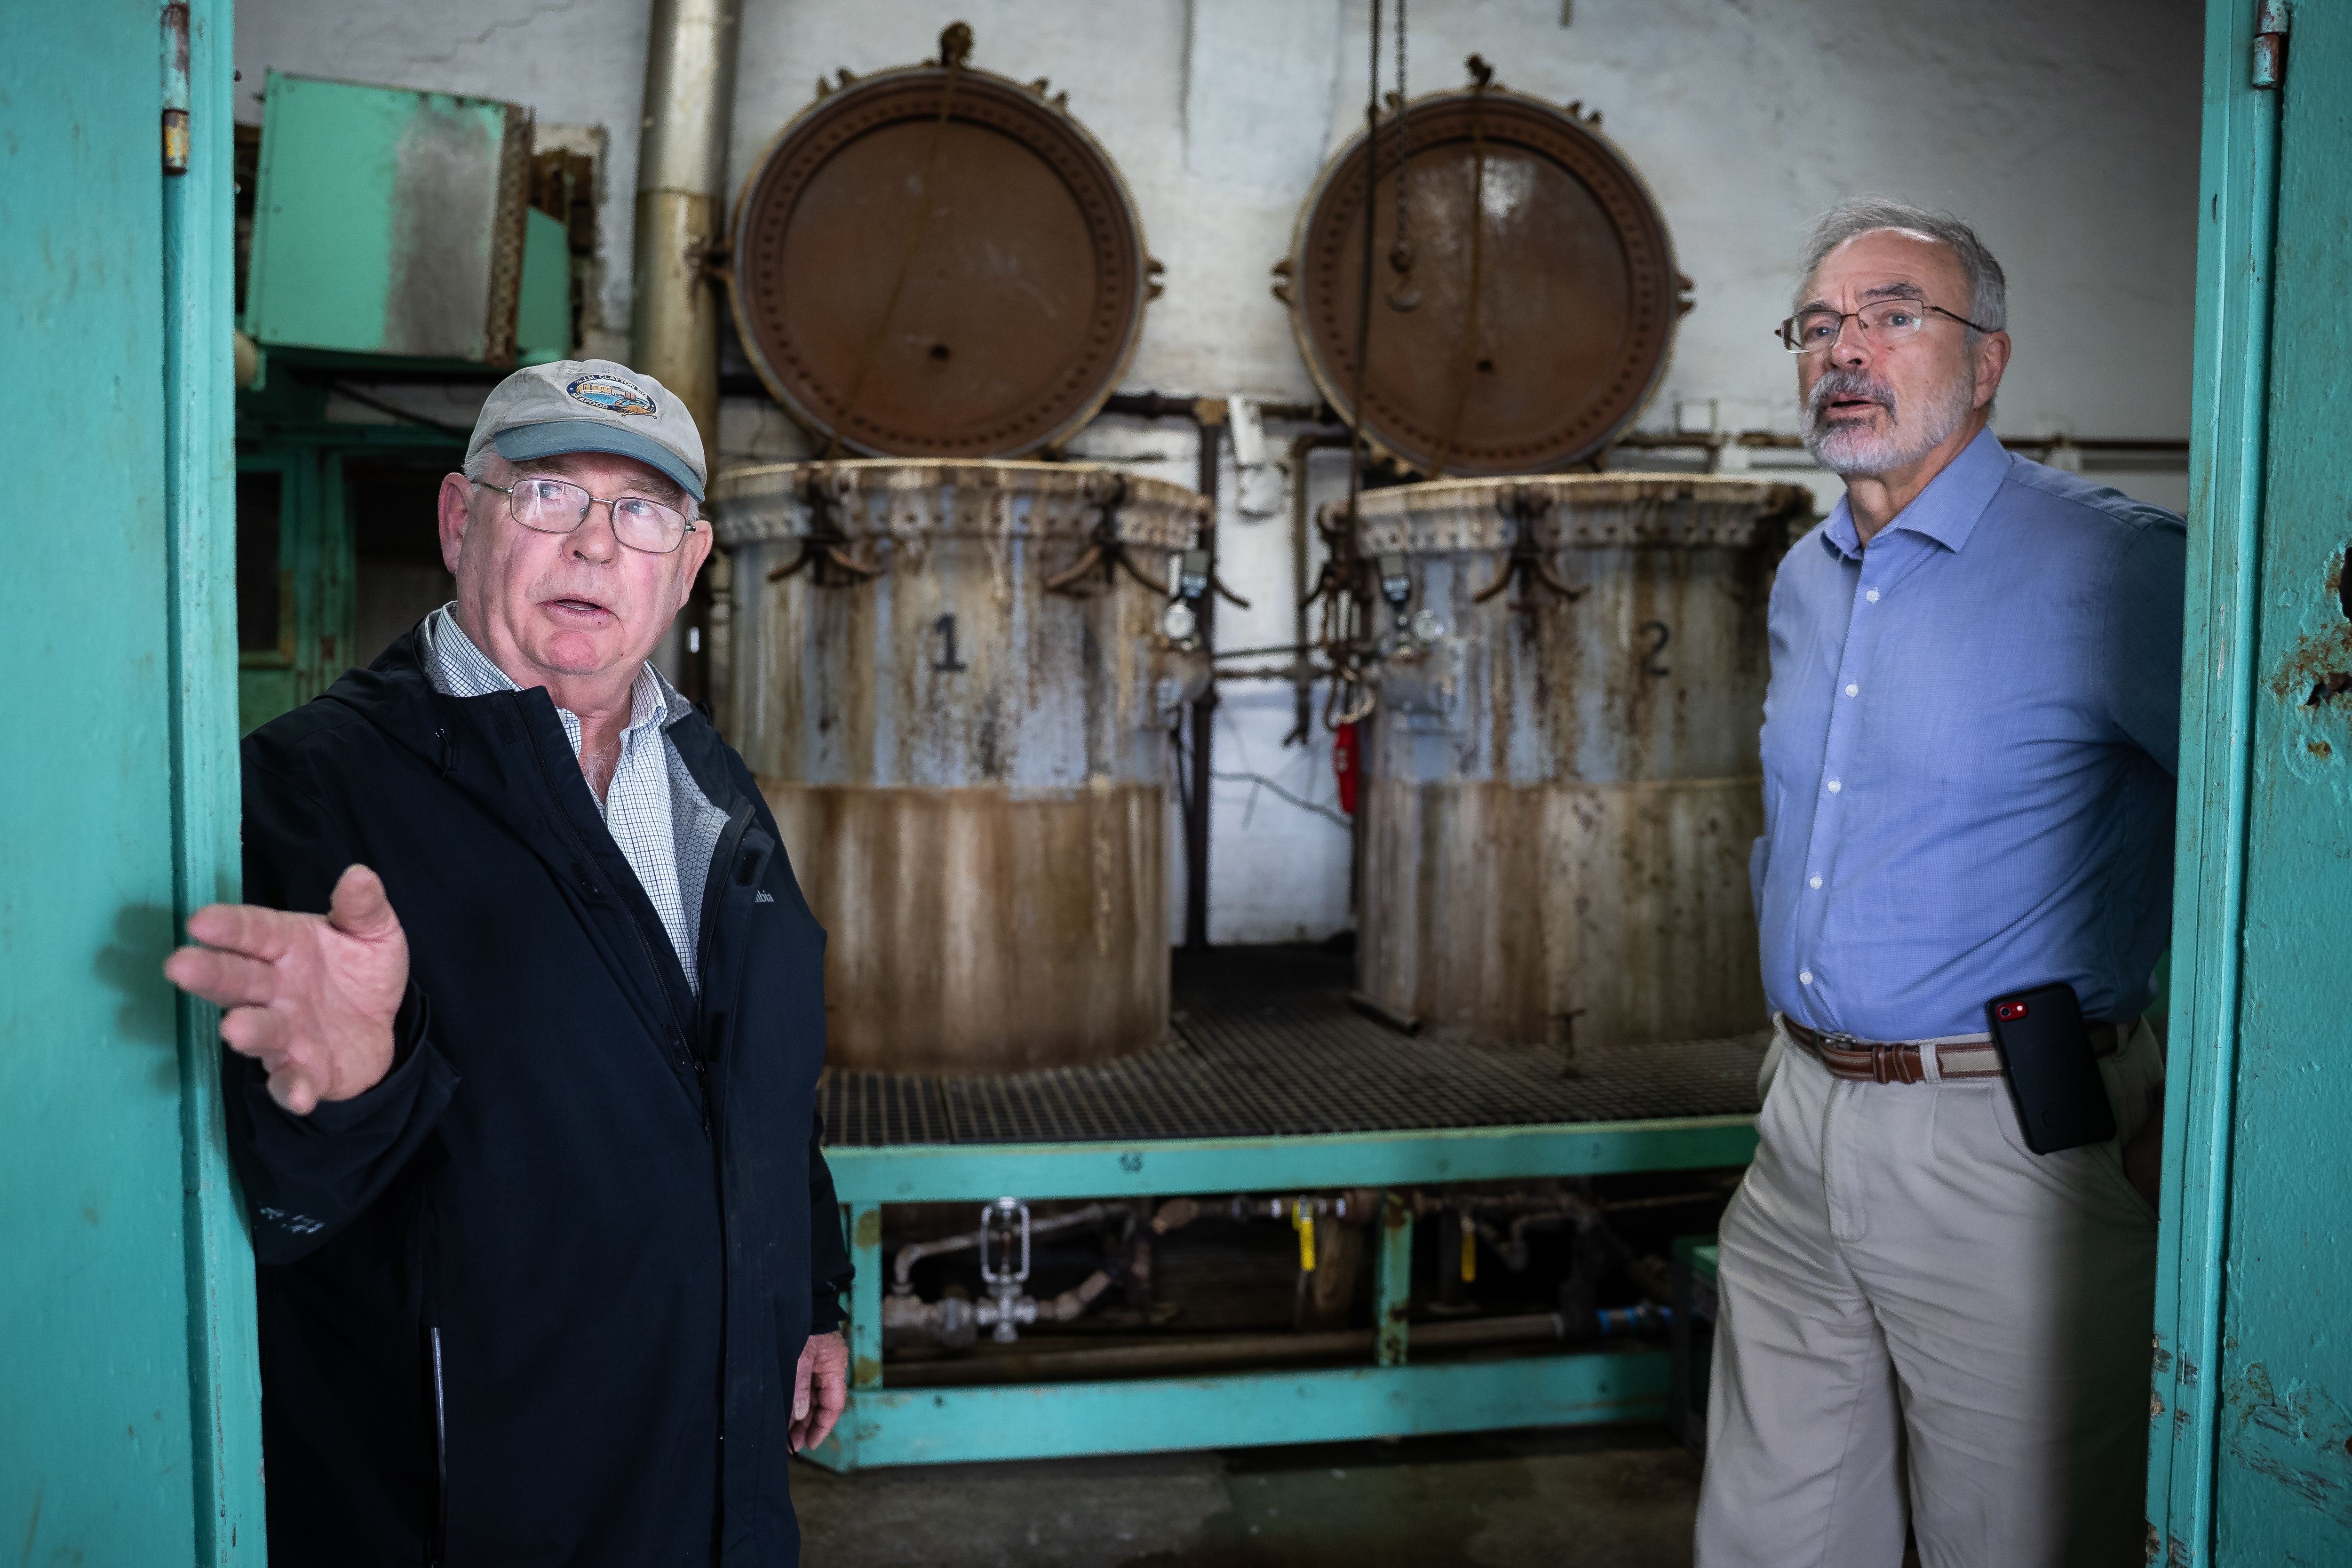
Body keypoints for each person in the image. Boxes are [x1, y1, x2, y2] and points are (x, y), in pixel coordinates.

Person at [165, 359, 853, 1566]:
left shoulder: (705, 781)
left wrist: (811, 1299)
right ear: (457, 520)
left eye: (641, 512)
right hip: (480, 1498)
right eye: (547, 495)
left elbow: (758, 1082)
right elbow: (258, 1195)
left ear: (686, 565)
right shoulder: (302, 793)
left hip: (717, 1475)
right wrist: (357, 1086)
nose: (595, 546)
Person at [1693, 201, 2184, 1567]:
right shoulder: (1807, 576)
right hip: (1799, 1120)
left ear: (1988, 360)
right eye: (1820, 325)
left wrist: (2190, 1109)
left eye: (1896, 314)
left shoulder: (2118, 569)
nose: (1846, 350)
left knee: (2020, 1538)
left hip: (2007, 1138)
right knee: (1771, 1536)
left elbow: (2281, 846)